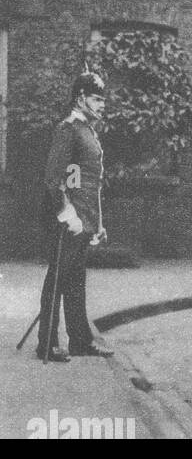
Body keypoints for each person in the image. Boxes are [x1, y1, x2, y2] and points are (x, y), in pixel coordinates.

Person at [36, 72, 113, 362]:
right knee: (57, 279)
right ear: (81, 97)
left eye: (104, 99)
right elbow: (54, 180)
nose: (102, 105)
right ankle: (46, 343)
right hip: (68, 222)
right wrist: (69, 217)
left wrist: (98, 224)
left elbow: (91, 185)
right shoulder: (68, 129)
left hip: (85, 221)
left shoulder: (87, 131)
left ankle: (80, 341)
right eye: (96, 99)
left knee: (76, 281)